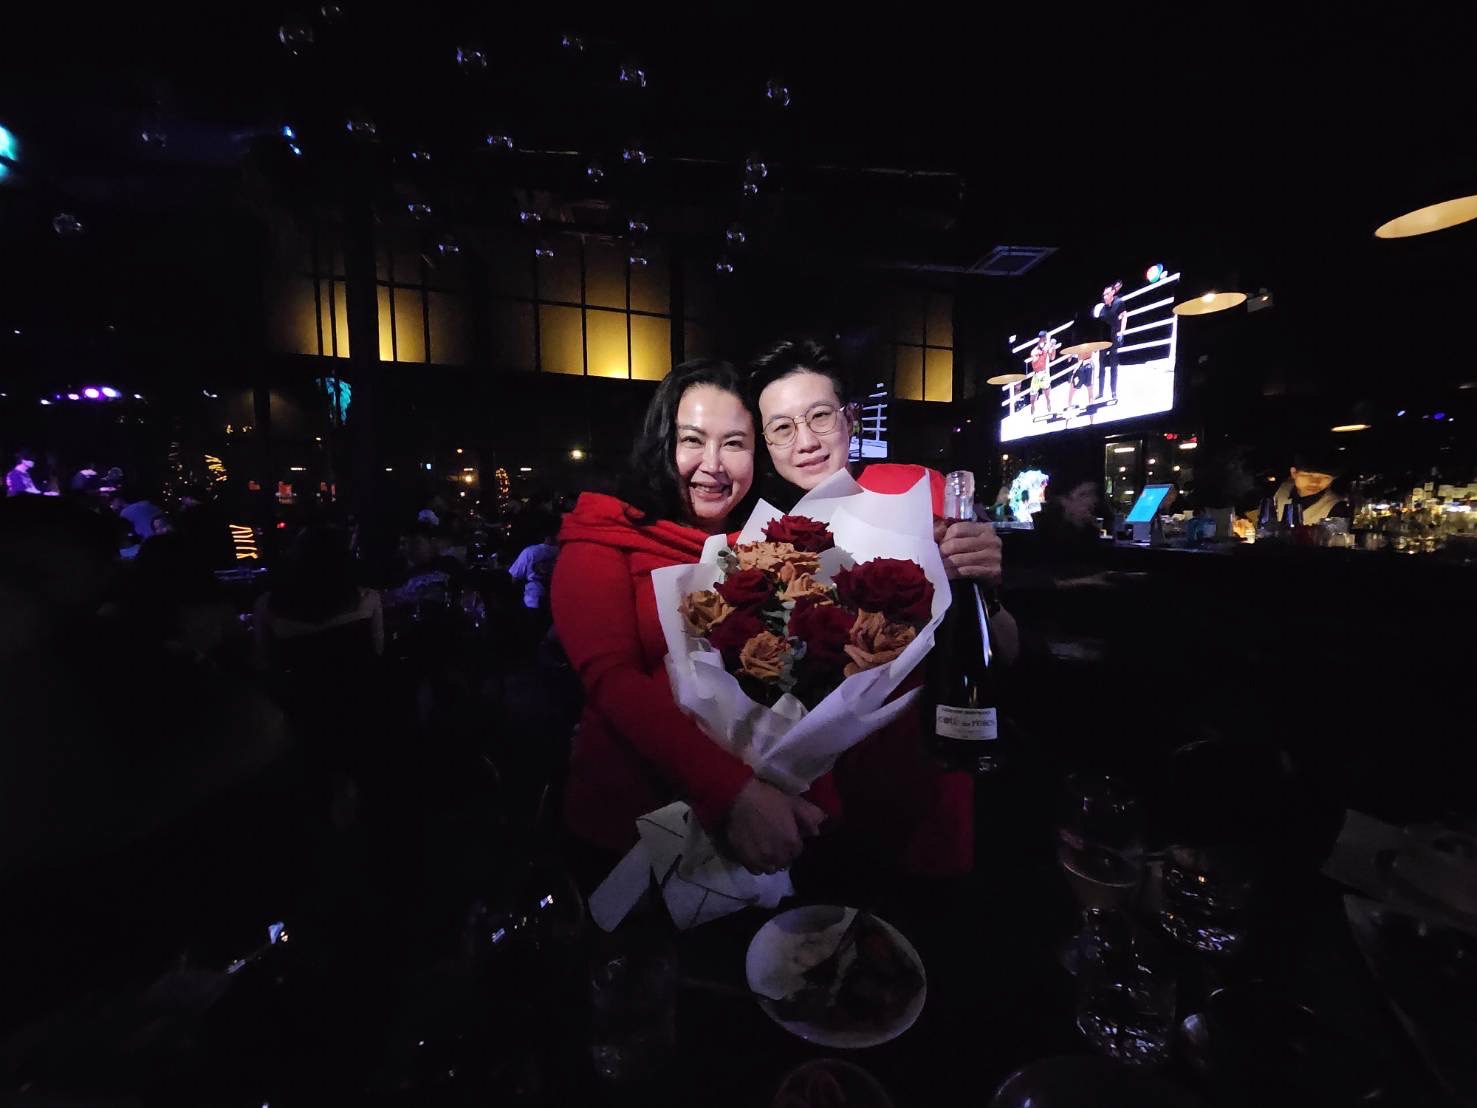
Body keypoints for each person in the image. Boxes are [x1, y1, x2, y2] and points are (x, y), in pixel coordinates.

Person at [748, 338, 1020, 877]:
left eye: (819, 417)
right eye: (782, 428)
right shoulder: (765, 541)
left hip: (926, 772)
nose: (804, 442)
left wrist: (985, 585)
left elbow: (1006, 650)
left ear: (850, 420)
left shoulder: (920, 491)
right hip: (815, 789)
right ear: (767, 445)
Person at [553, 359, 832, 879]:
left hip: (760, 827)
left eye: (734, 443)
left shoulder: (768, 546)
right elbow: (611, 680)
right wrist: (732, 792)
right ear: (662, 444)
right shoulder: (604, 535)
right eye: (692, 440)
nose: (714, 465)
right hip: (632, 826)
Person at [1270, 453, 1350, 524]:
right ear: (1294, 473)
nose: (1315, 482)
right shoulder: (1281, 490)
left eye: (1325, 477)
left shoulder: (1336, 506)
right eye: (1309, 475)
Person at [509, 515, 559, 611]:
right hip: (558, 599)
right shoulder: (564, 550)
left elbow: (514, 578)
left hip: (534, 601)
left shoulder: (530, 552)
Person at [1090, 280, 1127, 403]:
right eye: (1103, 294)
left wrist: (1122, 332)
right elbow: (1097, 326)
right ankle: (1100, 392)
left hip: (1114, 338)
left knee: (1113, 366)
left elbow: (1124, 316)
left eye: (1106, 294)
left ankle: (1113, 392)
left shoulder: (1119, 303)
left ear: (1112, 293)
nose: (1104, 296)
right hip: (1102, 340)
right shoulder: (1101, 309)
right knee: (1101, 366)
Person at [1027, 330, 1059, 419]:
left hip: (1044, 374)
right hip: (1036, 375)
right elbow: (1035, 362)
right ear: (1042, 338)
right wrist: (1043, 352)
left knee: (1047, 394)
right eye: (1045, 338)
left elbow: (1052, 357)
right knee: (1032, 396)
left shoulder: (1046, 347)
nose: (1046, 339)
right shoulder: (1034, 351)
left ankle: (1048, 403)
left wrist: (1053, 347)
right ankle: (1032, 408)